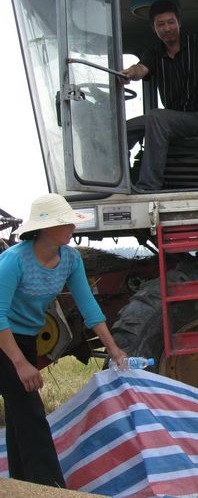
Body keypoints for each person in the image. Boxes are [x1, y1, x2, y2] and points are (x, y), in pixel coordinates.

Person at [0, 193, 127, 487]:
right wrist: (20, 363)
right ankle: (51, 488)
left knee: (20, 414)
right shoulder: (14, 261)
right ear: (46, 228)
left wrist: (114, 349)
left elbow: (88, 306)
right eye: (66, 222)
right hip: (4, 340)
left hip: (26, 338)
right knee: (31, 412)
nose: (73, 227)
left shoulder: (70, 259)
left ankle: (22, 485)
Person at [121, 0, 198, 191]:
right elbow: (141, 69)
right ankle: (123, 180)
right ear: (154, 28)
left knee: (156, 116)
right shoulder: (154, 53)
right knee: (123, 128)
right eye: (161, 24)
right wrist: (130, 73)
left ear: (179, 23)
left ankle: (149, 186)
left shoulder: (197, 45)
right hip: (170, 121)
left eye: (170, 22)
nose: (167, 28)